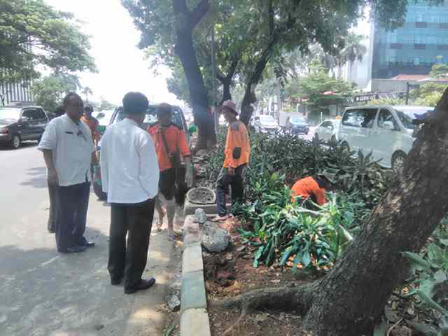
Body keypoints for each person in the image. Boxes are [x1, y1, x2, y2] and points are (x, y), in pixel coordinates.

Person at [100, 92, 160, 294]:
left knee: (116, 236)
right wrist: (151, 194)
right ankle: (132, 281)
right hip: (139, 198)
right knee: (137, 240)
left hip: (117, 196)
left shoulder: (109, 132)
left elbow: (104, 162)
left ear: (125, 109)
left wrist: (108, 189)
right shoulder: (141, 135)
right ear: (143, 112)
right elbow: (149, 171)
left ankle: (116, 274)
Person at [38, 92, 97, 253]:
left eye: (81, 105)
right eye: (75, 105)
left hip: (83, 177)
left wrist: (96, 170)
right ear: (66, 107)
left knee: (80, 213)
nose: (79, 109)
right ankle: (65, 245)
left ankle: (78, 237)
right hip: (65, 178)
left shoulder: (84, 126)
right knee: (65, 214)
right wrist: (51, 170)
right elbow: (46, 147)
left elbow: (91, 150)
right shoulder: (56, 124)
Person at [148, 103, 193, 237]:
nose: (161, 118)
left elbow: (185, 151)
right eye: (159, 115)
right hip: (151, 168)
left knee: (170, 198)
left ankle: (170, 225)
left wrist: (189, 171)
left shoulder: (177, 130)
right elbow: (147, 147)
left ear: (169, 115)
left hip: (168, 169)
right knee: (151, 195)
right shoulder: (152, 128)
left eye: (163, 115)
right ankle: (160, 214)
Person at [213, 100, 250, 222]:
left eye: (225, 111)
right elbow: (244, 147)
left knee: (220, 185)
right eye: (223, 112)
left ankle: (222, 214)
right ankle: (236, 214)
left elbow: (236, 149)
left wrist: (231, 166)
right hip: (242, 163)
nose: (223, 114)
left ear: (231, 112)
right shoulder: (241, 125)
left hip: (232, 163)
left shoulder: (234, 126)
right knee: (236, 187)